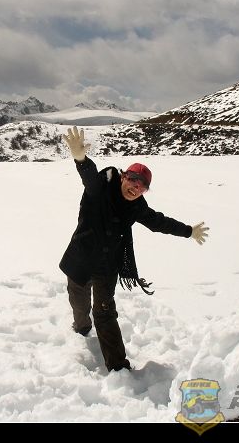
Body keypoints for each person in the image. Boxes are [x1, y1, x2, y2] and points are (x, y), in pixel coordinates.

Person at [59, 126, 209, 372]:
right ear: (123, 177)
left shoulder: (137, 207)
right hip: (81, 257)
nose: (136, 188)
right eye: (133, 180)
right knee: (79, 301)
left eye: (142, 186)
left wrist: (188, 231)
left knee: (105, 313)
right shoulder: (100, 188)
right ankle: (82, 327)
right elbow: (89, 177)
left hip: (107, 265)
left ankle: (118, 367)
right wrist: (81, 160)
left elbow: (159, 222)